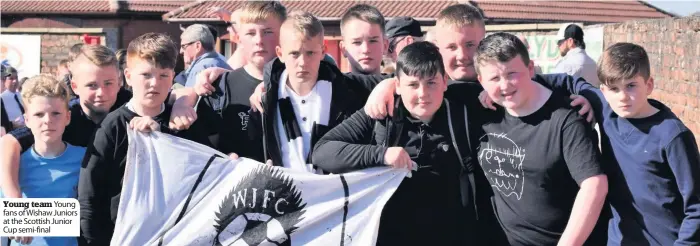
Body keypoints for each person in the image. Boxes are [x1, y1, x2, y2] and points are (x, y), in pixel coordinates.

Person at [517, 42, 700, 245]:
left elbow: (696, 206)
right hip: (617, 240)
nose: (622, 97)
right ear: (603, 90)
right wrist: (505, 87)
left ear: (648, 85)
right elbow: (568, 82)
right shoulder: (606, 108)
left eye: (631, 85)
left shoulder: (673, 136)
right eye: (614, 88)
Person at [312, 41, 482, 245]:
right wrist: (382, 155)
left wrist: (490, 94)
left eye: (431, 83)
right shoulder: (383, 114)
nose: (422, 94)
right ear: (398, 85)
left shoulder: (462, 111)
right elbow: (322, 152)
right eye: (412, 84)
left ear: (445, 81)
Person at [78, 33, 213, 245]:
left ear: (173, 77)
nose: (154, 84)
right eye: (146, 75)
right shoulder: (111, 127)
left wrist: (164, 135)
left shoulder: (186, 123)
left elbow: (207, 180)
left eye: (163, 75)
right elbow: (89, 197)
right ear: (128, 76)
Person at [474, 32, 608, 245]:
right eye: (494, 78)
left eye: (511, 74)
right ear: (481, 81)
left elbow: (595, 184)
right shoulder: (485, 112)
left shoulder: (566, 118)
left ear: (530, 69)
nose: (505, 85)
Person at [245, 10, 365, 172]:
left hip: (336, 192)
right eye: (294, 53)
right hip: (285, 193)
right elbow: (250, 151)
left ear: (323, 52)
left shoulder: (346, 95)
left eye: (310, 53)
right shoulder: (265, 100)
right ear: (280, 53)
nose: (303, 62)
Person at [1, 75, 83, 246]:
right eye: (39, 114)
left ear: (67, 117)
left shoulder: (85, 158)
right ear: (27, 120)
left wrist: (29, 217)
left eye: (56, 113)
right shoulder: (12, 165)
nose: (47, 120)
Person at [177, 24, 232, 88]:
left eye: (183, 46)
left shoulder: (200, 69)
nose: (181, 51)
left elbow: (189, 97)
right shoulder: (223, 63)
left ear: (198, 46)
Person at [339, 4, 388, 75]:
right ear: (343, 48)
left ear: (385, 46)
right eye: (357, 42)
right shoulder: (331, 85)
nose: (366, 50)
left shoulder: (400, 85)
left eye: (373, 41)